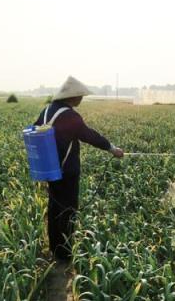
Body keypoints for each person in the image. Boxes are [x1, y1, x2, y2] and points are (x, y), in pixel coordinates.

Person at [34, 76, 124, 262]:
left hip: (50, 170)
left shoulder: (47, 111)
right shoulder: (70, 115)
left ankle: (55, 248)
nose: (81, 99)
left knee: (54, 208)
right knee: (67, 210)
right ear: (71, 97)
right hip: (67, 172)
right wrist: (112, 148)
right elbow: (88, 135)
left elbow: (36, 131)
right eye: (80, 95)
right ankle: (65, 253)